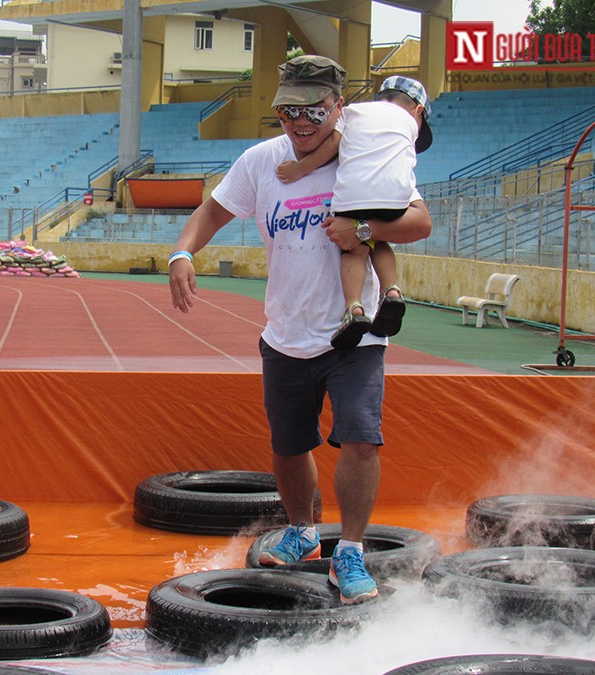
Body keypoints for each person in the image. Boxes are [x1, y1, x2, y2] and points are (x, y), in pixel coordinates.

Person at [168, 55, 431, 605]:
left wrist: (360, 227)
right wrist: (180, 253)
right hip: (286, 331)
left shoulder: (365, 150)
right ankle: (302, 532)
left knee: (361, 440)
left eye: (313, 109)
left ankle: (351, 551)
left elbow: (418, 222)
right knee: (290, 446)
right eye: (288, 110)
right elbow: (211, 213)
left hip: (354, 334)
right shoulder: (261, 161)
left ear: (338, 106)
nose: (300, 122)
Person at [275, 75, 433, 349]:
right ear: (418, 110)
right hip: (396, 195)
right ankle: (391, 290)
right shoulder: (409, 123)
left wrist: (300, 169)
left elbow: (333, 145)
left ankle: (353, 309)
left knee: (355, 249)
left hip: (354, 194)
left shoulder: (354, 112)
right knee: (378, 240)